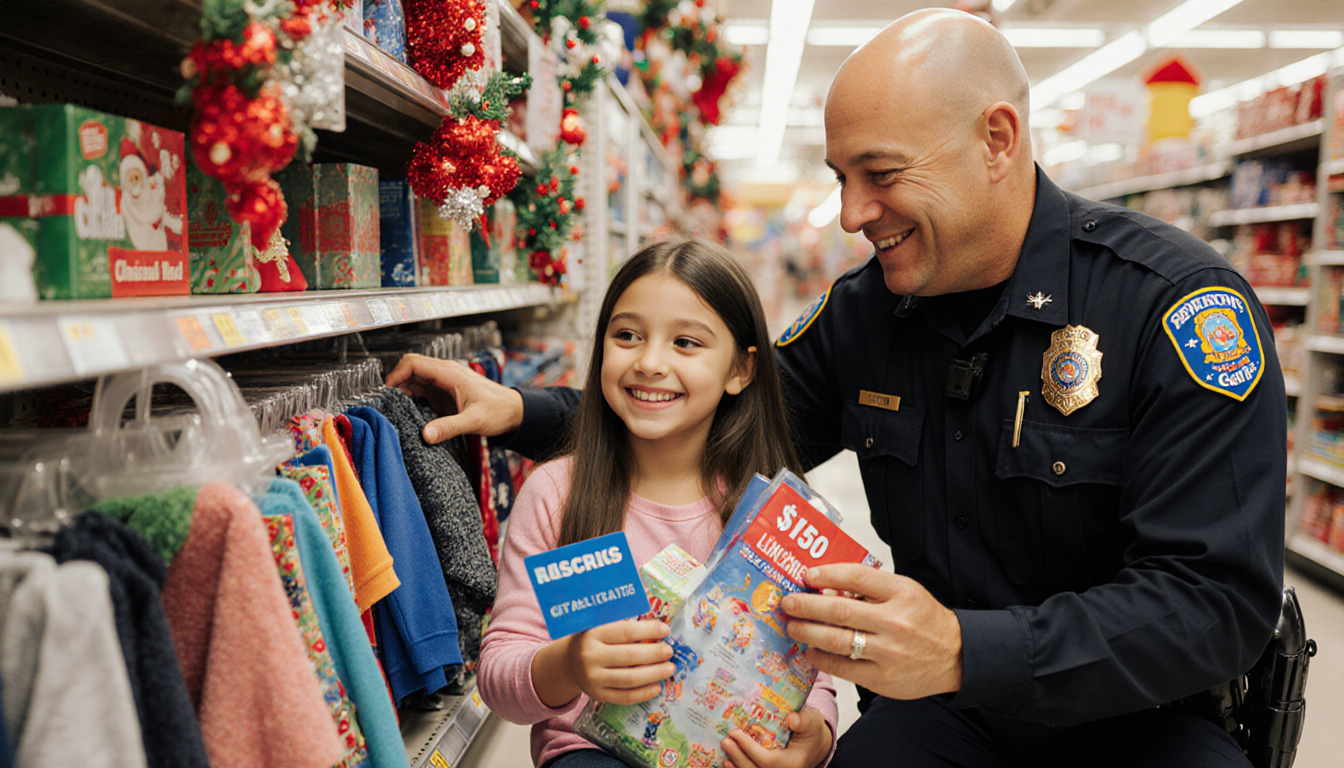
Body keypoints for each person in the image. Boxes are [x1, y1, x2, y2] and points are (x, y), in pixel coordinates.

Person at [386, 10, 1286, 767]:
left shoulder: (1172, 306)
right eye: (841, 180)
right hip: (945, 713)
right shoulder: (866, 314)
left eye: (881, 175)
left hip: (1138, 716)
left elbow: (1216, 604)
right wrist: (525, 412)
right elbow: (718, 411)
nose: (853, 214)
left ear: (997, 140)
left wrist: (969, 649)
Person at [464, 238, 839, 768]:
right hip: (590, 752)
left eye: (686, 342)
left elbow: (811, 675)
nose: (650, 362)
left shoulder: (778, 520)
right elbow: (501, 674)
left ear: (742, 370)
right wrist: (569, 664)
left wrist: (815, 741)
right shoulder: (560, 495)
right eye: (627, 335)